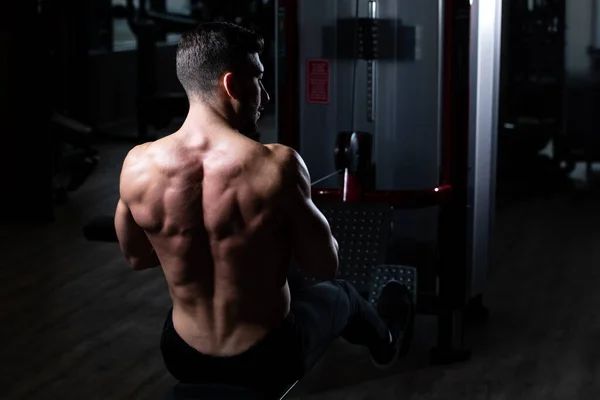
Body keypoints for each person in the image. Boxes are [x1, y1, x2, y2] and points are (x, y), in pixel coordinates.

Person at [114, 22, 414, 392]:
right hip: (267, 354)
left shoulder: (137, 164)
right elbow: (324, 265)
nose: (265, 96)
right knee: (345, 296)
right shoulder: (277, 165)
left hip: (183, 353)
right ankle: (386, 344)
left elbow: (138, 258)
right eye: (258, 79)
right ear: (231, 85)